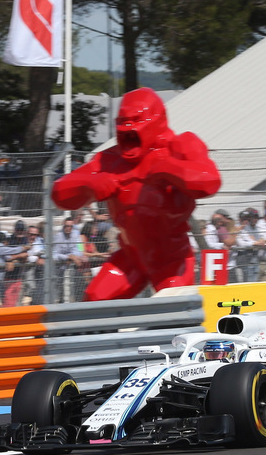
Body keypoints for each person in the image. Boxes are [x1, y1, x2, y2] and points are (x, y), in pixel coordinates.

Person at [50, 87, 221, 300]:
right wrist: (90, 184)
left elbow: (210, 180)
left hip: (172, 259)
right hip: (131, 257)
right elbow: (58, 193)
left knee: (171, 311)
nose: (127, 127)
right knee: (95, 301)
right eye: (123, 121)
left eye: (136, 120)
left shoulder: (181, 146)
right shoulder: (108, 160)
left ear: (156, 121)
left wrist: (168, 167)